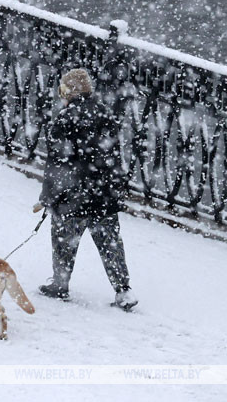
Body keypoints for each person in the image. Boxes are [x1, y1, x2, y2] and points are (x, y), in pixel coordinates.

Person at [33, 69, 138, 311]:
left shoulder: (64, 119)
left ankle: (60, 284)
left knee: (64, 240)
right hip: (103, 194)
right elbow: (114, 158)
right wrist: (115, 189)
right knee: (110, 242)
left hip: (74, 196)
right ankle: (123, 291)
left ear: (68, 92)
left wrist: (49, 197)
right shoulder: (106, 115)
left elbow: (57, 164)